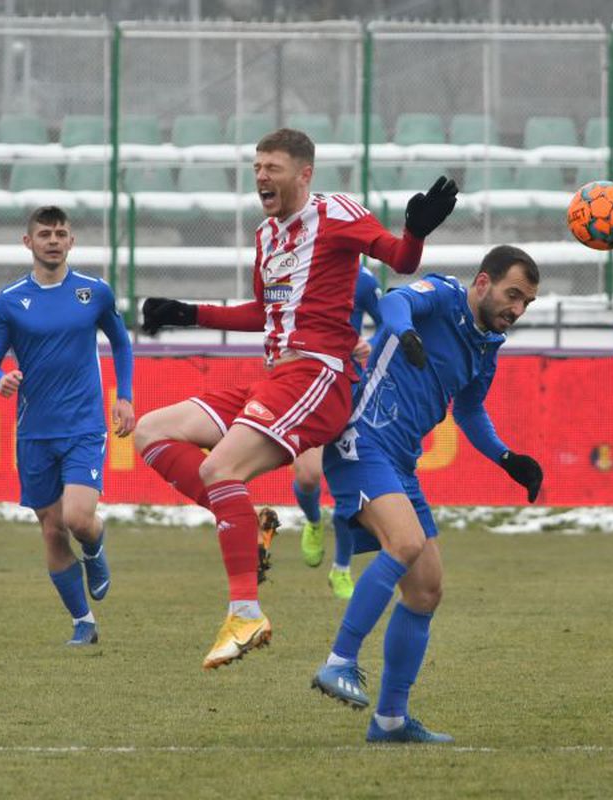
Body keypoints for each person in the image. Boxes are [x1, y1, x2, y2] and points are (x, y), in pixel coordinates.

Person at [132, 128, 458, 670]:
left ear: (304, 173)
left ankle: (244, 612)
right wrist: (190, 312)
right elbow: (262, 313)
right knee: (151, 430)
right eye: (257, 166)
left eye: (273, 167)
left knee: (218, 469)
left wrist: (414, 232)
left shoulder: (338, 215)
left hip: (319, 378)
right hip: (273, 377)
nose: (261, 175)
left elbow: (399, 260)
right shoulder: (266, 236)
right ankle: (244, 521)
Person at [311, 246, 544, 744]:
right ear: (483, 282)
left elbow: (470, 412)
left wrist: (507, 459)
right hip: (362, 438)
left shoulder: (487, 344)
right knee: (405, 544)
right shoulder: (442, 295)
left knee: (426, 589)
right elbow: (395, 303)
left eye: (526, 302)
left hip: (400, 463)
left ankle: (390, 719)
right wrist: (407, 332)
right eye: (513, 295)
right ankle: (338, 661)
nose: (517, 309)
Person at [0, 205, 135, 645]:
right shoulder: (9, 302)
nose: (53, 240)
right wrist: (0, 378)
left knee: (79, 518)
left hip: (84, 425)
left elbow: (121, 343)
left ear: (71, 242)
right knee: (50, 528)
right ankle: (82, 622)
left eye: (60, 233)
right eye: (45, 233)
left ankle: (95, 546)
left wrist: (124, 396)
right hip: (34, 432)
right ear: (28, 242)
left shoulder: (94, 293)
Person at [293, 264, 382, 600]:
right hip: (305, 383)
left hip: (348, 388)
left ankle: (342, 568)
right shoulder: (297, 269)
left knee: (350, 489)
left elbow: (388, 322)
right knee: (308, 476)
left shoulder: (363, 280)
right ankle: (314, 521)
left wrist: (369, 343)